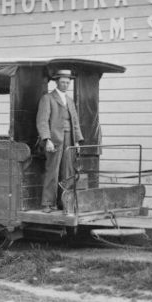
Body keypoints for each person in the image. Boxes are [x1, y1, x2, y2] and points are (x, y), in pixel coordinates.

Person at [36, 69, 84, 212]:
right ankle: (47, 203)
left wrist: (77, 141)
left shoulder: (70, 101)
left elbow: (75, 122)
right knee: (52, 170)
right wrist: (47, 139)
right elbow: (42, 121)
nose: (65, 84)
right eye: (62, 82)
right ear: (57, 82)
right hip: (55, 139)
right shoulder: (48, 98)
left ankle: (64, 202)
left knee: (67, 171)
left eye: (67, 82)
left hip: (69, 138)